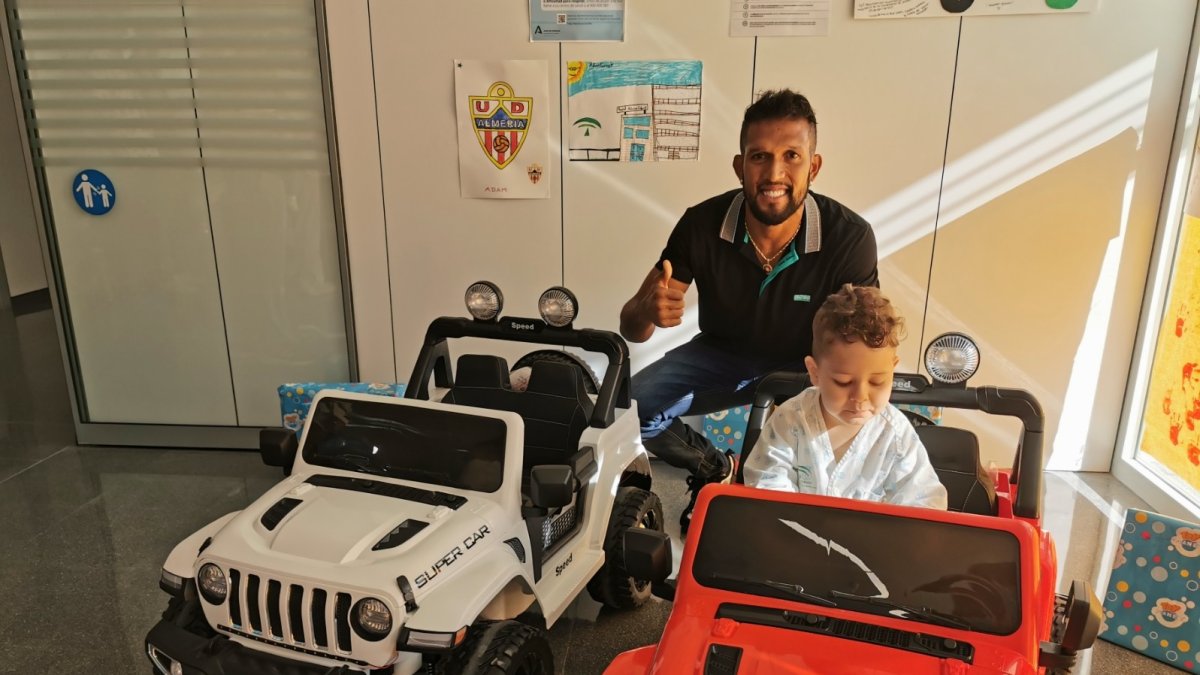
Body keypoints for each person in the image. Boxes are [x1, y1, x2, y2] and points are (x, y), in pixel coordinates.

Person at [619, 89, 880, 531]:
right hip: (720, 355)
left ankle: (779, 515)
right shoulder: (701, 223)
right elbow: (633, 329)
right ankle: (714, 468)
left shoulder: (849, 237)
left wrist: (810, 401)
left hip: (806, 366)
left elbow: (865, 346)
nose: (774, 174)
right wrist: (646, 310)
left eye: (791, 156)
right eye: (760, 157)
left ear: (813, 167)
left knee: (818, 451)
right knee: (627, 409)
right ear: (740, 166)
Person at [742, 285, 947, 509]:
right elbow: (766, 486)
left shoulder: (896, 435)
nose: (860, 397)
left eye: (877, 382)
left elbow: (925, 501)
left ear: (893, 369)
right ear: (815, 372)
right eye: (843, 382)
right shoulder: (791, 420)